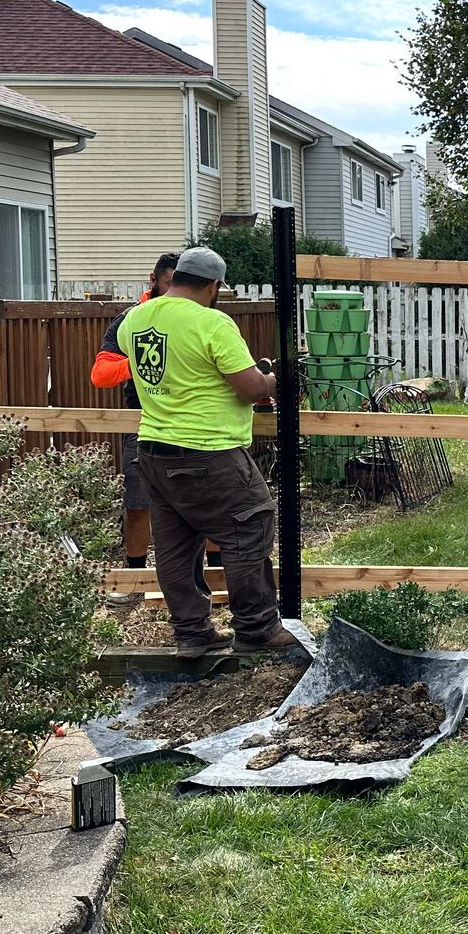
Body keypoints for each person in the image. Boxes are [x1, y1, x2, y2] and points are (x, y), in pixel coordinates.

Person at [118, 247, 295, 657]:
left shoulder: (135, 319)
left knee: (176, 545)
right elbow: (249, 389)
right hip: (208, 450)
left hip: (154, 449)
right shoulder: (212, 322)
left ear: (177, 276)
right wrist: (271, 380)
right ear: (213, 286)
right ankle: (257, 630)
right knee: (250, 527)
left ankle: (192, 634)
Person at [91, 252, 179, 607]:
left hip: (192, 421)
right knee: (138, 504)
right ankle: (134, 583)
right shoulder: (130, 320)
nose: (175, 292)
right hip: (141, 422)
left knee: (203, 505)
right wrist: (143, 359)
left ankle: (215, 578)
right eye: (169, 284)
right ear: (153, 280)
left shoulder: (199, 318)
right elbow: (100, 375)